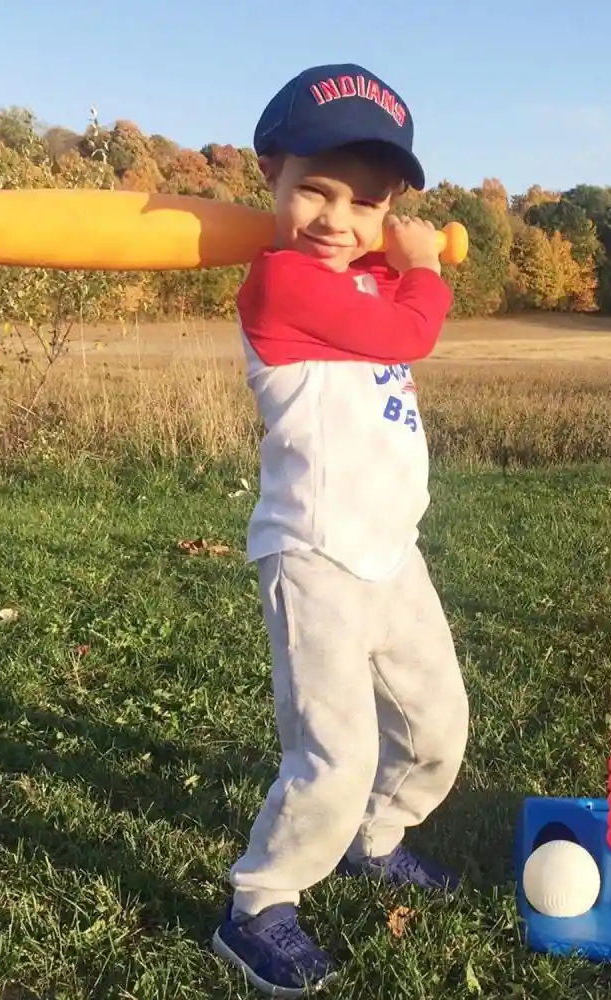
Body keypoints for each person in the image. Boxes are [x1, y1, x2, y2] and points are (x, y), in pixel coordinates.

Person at [210, 62, 471, 997]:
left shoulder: (368, 275)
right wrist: (424, 264)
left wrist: (394, 260)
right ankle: (260, 904)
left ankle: (379, 835)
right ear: (272, 178)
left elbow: (387, 302)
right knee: (336, 752)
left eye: (365, 202)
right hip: (313, 553)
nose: (335, 218)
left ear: (390, 203)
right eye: (312, 189)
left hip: (392, 548)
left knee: (439, 724)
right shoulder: (279, 283)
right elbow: (412, 335)